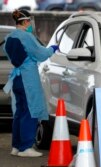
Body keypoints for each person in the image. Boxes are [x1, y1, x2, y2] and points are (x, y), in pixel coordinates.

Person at [3, 9, 59, 157]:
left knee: (19, 112)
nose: (30, 24)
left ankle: (16, 146)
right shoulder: (27, 37)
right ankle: (26, 147)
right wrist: (52, 49)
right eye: (30, 21)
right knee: (30, 111)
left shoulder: (9, 37)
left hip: (16, 78)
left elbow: (10, 53)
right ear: (26, 21)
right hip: (28, 78)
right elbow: (40, 54)